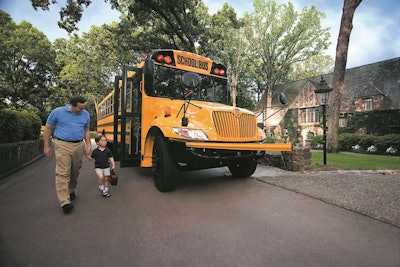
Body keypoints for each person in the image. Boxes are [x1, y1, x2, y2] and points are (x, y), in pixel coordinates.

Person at [43, 95, 91, 214]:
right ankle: (65, 202)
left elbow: (86, 130)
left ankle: (71, 189)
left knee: (75, 170)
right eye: (80, 108)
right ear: (72, 105)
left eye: (84, 108)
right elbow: (48, 128)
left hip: (79, 145)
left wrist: (88, 144)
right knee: (62, 173)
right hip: (62, 144)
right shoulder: (57, 112)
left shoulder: (85, 114)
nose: (82, 110)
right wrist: (46, 146)